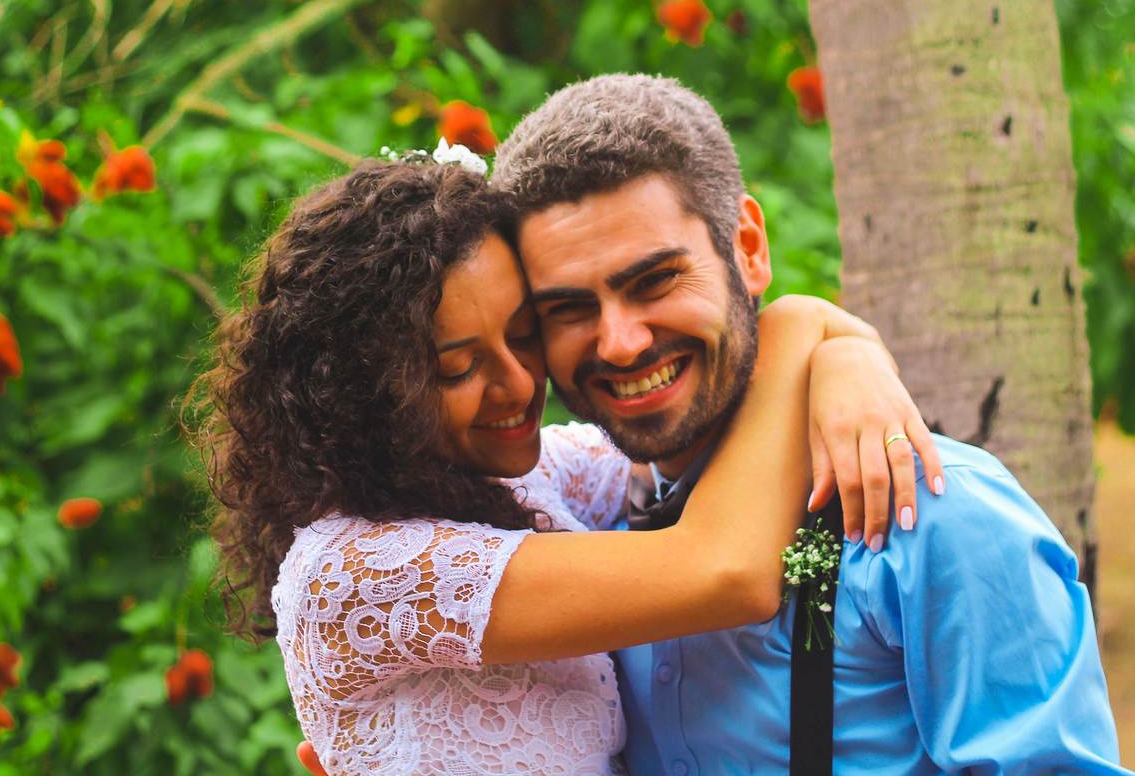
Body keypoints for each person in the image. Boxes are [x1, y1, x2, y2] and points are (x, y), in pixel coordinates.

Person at [190, 158, 940, 775]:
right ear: (364, 394)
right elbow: (726, 570)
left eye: (524, 336)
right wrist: (802, 320)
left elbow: (700, 442)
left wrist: (850, 358)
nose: (518, 386)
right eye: (457, 369)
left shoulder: (529, 478)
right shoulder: (349, 575)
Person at [480, 73, 1122, 773]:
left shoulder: (935, 514)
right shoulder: (580, 526)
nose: (621, 342)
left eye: (655, 281)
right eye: (567, 309)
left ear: (749, 251)